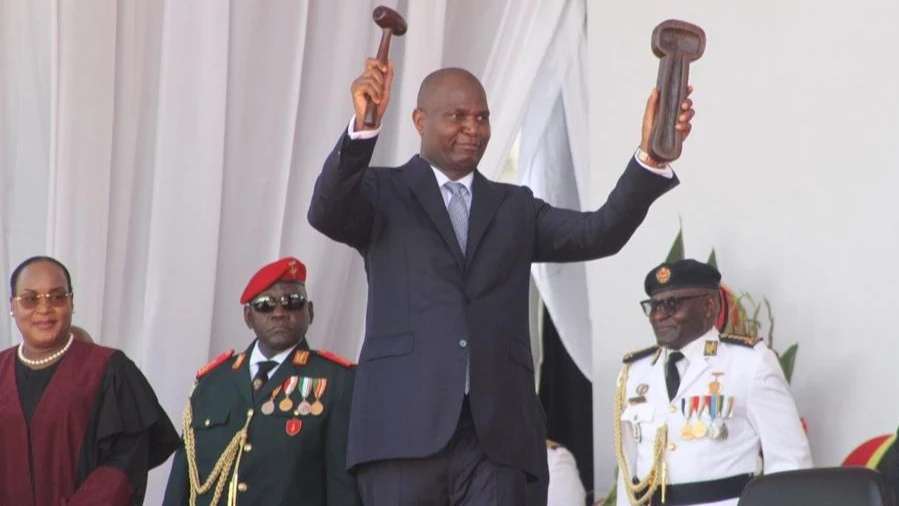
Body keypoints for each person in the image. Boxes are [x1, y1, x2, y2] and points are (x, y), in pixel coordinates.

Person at [307, 57, 695, 505]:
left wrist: (651, 156)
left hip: (497, 440)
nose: (473, 128)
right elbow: (326, 211)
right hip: (402, 434)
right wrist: (362, 130)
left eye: (482, 117)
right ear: (420, 120)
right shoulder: (381, 193)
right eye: (457, 116)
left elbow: (600, 231)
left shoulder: (515, 207)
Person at [163, 257, 361, 506]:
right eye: (266, 305)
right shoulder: (212, 382)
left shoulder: (338, 382)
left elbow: (342, 487)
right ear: (249, 316)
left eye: (292, 303)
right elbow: (183, 477)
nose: (279, 313)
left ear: (309, 312)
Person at [614, 259, 812, 506]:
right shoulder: (635, 372)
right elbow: (627, 468)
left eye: (670, 304)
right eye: (652, 306)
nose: (659, 316)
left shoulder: (749, 363)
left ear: (709, 305)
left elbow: (790, 461)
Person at [0, 255, 180, 505]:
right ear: (12, 305)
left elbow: (125, 460)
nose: (44, 309)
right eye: (30, 299)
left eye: (57, 296)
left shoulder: (109, 370)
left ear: (71, 302)